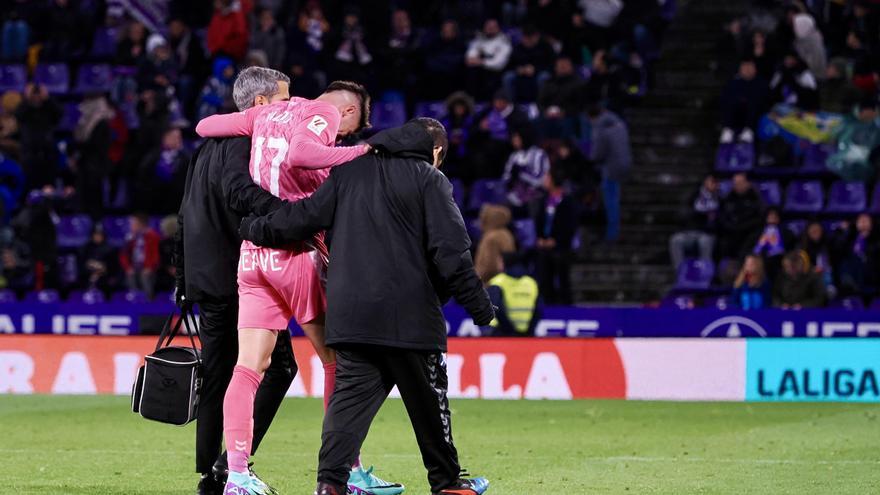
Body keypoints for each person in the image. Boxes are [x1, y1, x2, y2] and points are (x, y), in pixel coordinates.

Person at [239, 118, 493, 495]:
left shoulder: (348, 172)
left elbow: (302, 218)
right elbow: (450, 251)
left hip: (350, 317)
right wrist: (481, 307)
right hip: (409, 318)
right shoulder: (429, 179)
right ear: (436, 150)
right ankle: (447, 482)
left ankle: (329, 484)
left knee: (347, 406)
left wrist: (252, 228)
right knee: (429, 404)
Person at [196, 81, 401, 495]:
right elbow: (304, 153)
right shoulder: (320, 113)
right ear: (344, 112)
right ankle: (347, 473)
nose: (341, 137)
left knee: (249, 367)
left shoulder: (264, 113)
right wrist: (362, 152)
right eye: (348, 129)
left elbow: (204, 126)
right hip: (298, 254)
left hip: (254, 256)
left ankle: (236, 475)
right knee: (337, 365)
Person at [176, 66, 293, 495]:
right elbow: (238, 194)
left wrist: (183, 277)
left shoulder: (207, 145)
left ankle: (212, 470)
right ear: (260, 104)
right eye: (283, 100)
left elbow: (187, 213)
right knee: (277, 367)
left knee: (219, 370)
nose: (288, 108)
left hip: (207, 275)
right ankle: (232, 467)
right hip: (239, 274)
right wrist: (290, 214)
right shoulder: (247, 141)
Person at [531, 167, 578, 304]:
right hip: (544, 246)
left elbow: (570, 225)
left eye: (547, 177)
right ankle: (548, 306)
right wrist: (540, 238)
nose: (544, 180)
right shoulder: (544, 200)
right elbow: (539, 220)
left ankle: (566, 308)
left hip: (562, 247)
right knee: (545, 280)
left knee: (563, 279)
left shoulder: (568, 202)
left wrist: (556, 240)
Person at [588, 103, 631, 242]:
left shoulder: (601, 128)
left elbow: (597, 154)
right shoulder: (619, 123)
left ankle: (612, 233)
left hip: (611, 167)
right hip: (624, 163)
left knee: (611, 200)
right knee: (614, 197)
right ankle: (613, 230)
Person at [669, 174, 720, 270]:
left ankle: (705, 273)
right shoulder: (694, 195)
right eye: (710, 181)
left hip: (707, 233)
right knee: (675, 240)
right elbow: (683, 213)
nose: (713, 184)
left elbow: (718, 220)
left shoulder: (720, 198)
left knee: (704, 242)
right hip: (690, 231)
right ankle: (680, 272)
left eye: (715, 182)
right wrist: (700, 214)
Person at [487, 252, 542, 336]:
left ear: (506, 263)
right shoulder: (531, 282)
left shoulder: (498, 282)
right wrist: (529, 331)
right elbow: (538, 309)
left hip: (501, 333)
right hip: (525, 333)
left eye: (500, 261)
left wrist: (509, 330)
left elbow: (495, 308)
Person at [719, 59, 767, 144]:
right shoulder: (734, 82)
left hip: (753, 114)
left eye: (750, 67)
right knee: (729, 102)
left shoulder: (760, 82)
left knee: (753, 104)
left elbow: (762, 99)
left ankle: (749, 131)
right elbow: (726, 96)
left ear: (755, 69)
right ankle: (727, 129)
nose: (747, 70)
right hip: (737, 112)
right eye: (745, 67)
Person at [717, 173, 764, 259]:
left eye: (740, 183)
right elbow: (722, 217)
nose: (737, 186)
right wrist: (731, 226)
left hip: (749, 233)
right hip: (731, 232)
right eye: (735, 183)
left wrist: (742, 227)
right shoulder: (728, 199)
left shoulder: (755, 199)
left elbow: (759, 219)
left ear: (748, 183)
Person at [502, 128, 550, 209]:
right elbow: (506, 176)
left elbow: (538, 180)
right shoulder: (514, 156)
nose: (514, 142)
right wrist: (509, 180)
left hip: (536, 196)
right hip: (515, 194)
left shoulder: (539, 154)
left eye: (517, 140)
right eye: (513, 140)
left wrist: (521, 172)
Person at [465, 18, 512, 99]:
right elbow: (471, 53)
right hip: (479, 69)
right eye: (488, 27)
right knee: (469, 71)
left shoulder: (504, 41)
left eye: (493, 27)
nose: (490, 29)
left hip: (495, 71)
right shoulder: (479, 38)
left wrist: (481, 62)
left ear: (498, 28)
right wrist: (472, 58)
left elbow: (499, 63)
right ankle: (471, 99)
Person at [119, 213, 160, 299]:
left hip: (148, 267)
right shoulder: (130, 237)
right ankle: (134, 296)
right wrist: (128, 267)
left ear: (141, 224)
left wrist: (149, 267)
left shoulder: (153, 236)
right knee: (130, 274)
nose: (131, 226)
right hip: (134, 266)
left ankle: (149, 299)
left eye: (133, 224)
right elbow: (123, 255)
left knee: (144, 276)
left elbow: (155, 255)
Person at [474, 204, 516, 285]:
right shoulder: (507, 234)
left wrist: (475, 278)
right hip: (504, 281)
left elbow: (489, 265)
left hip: (489, 283)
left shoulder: (491, 237)